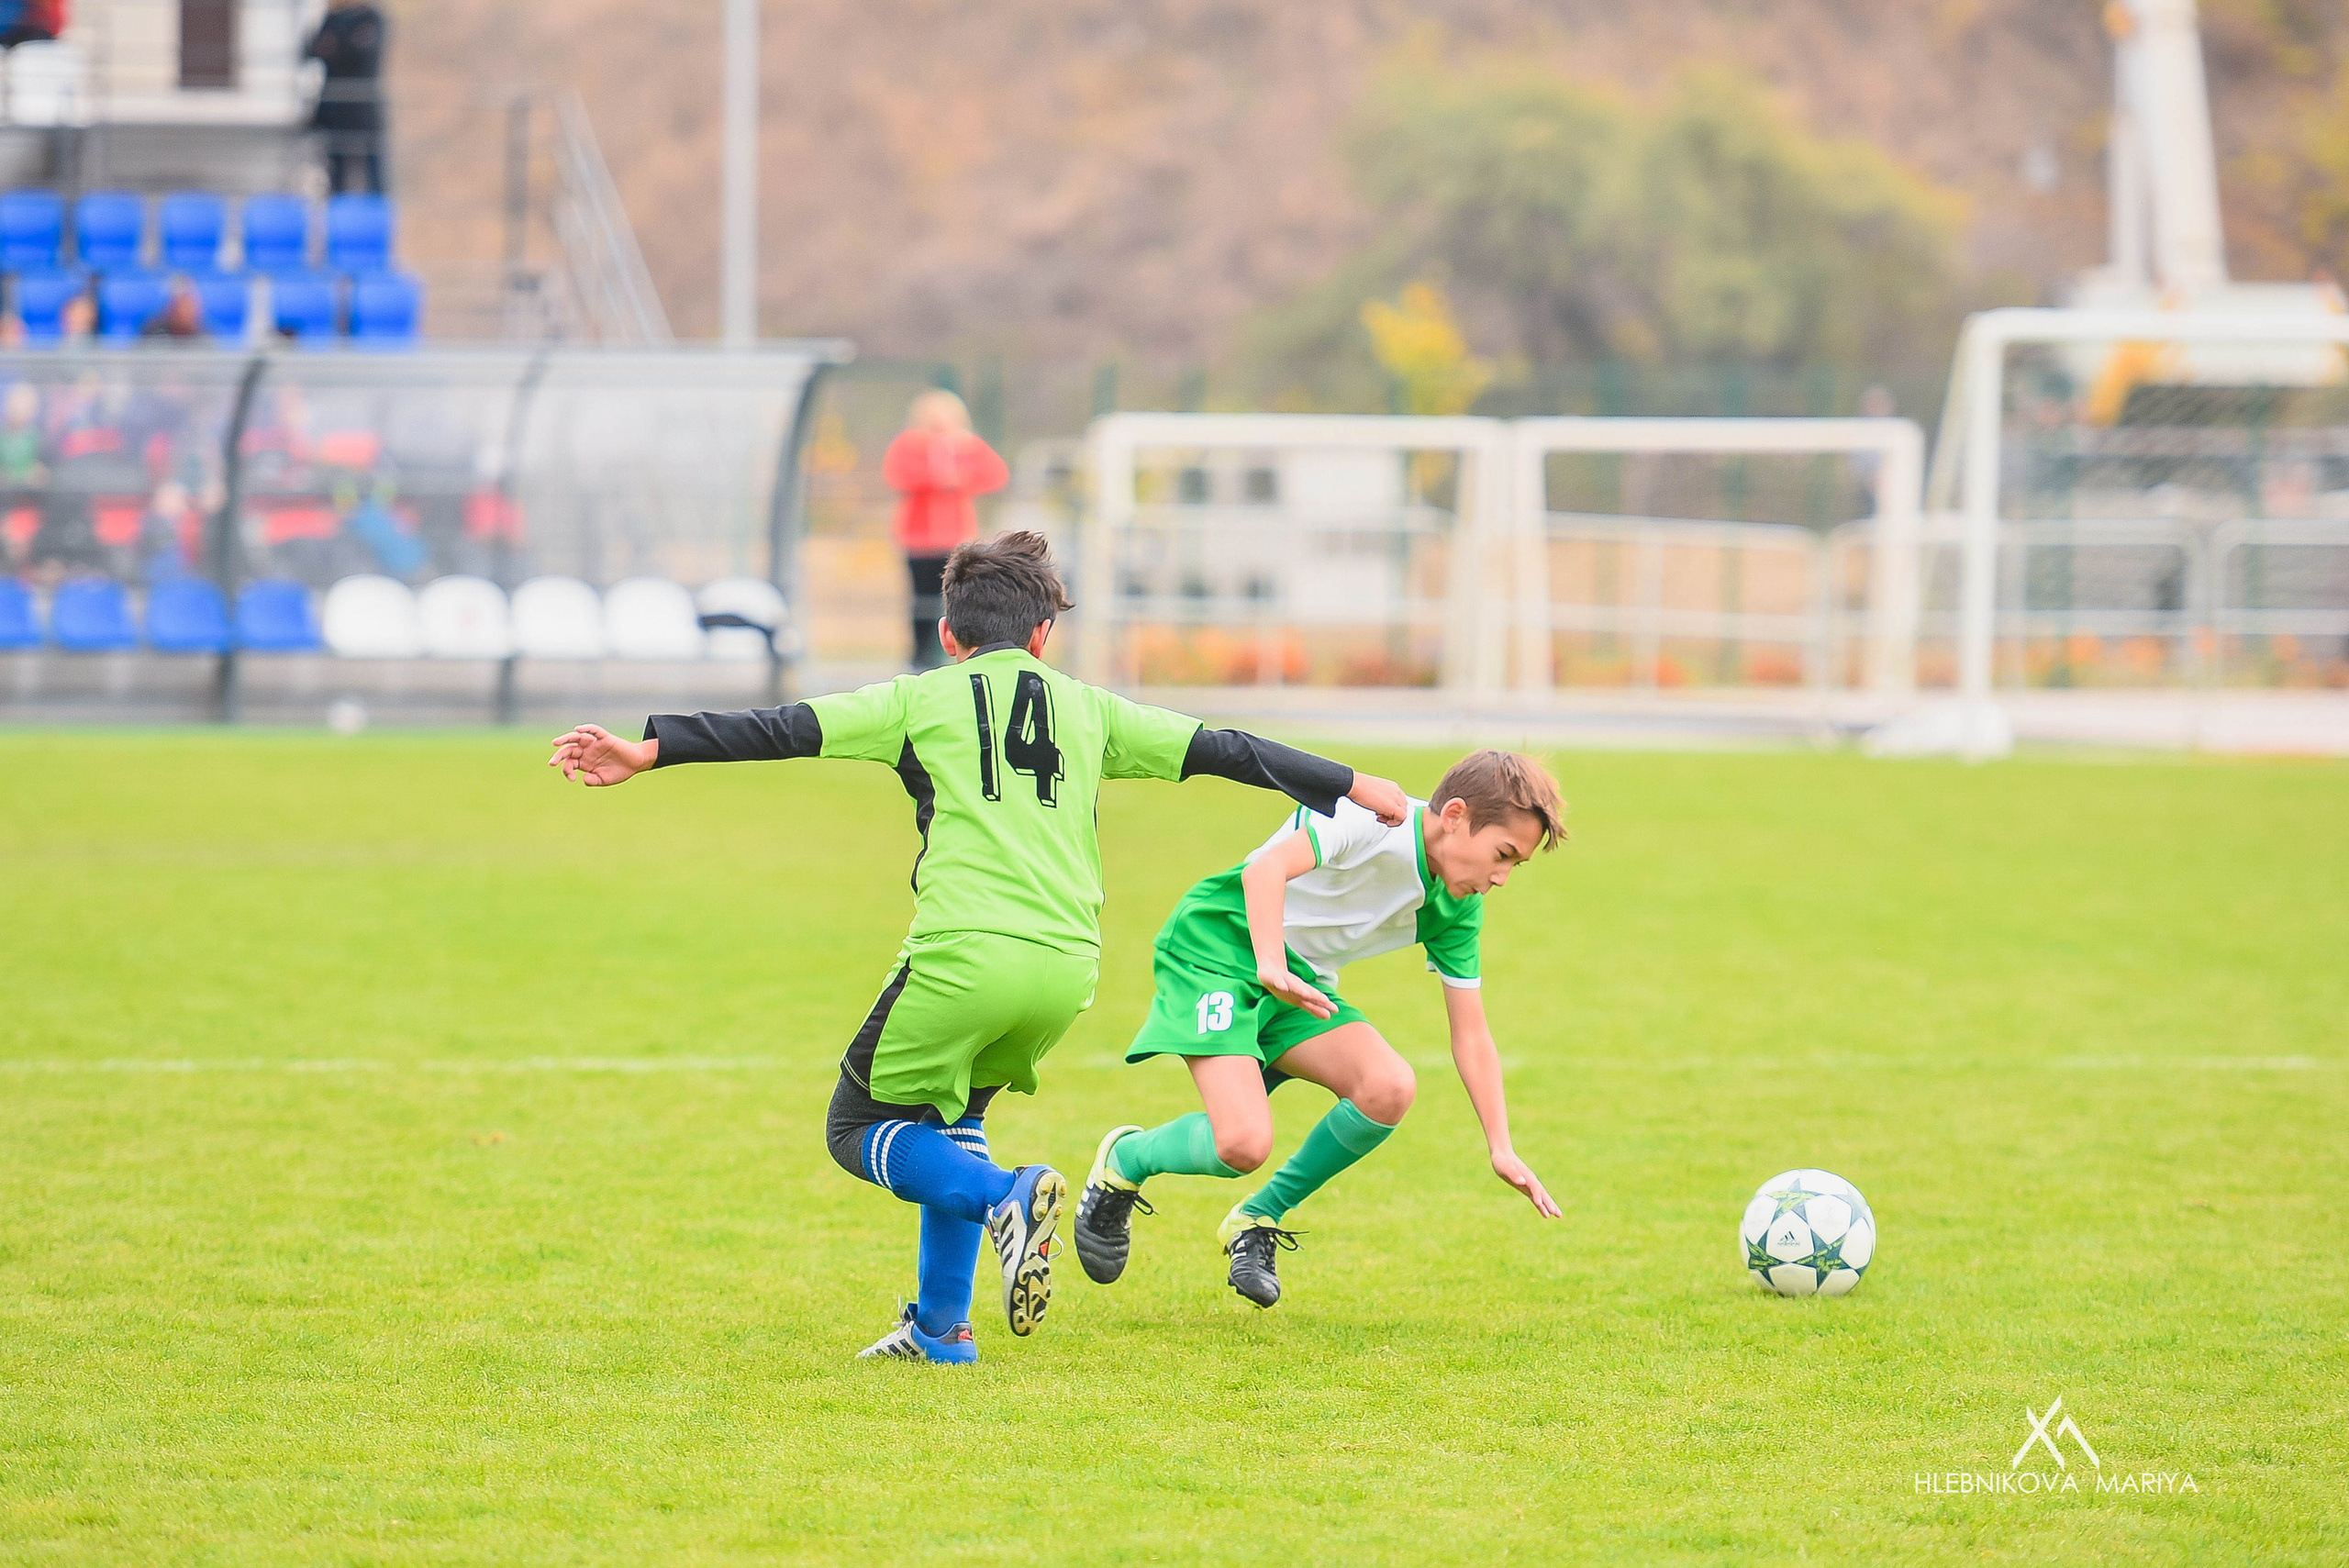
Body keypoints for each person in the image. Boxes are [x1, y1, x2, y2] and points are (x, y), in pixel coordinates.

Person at [544, 531, 1408, 1364]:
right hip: (1067, 969)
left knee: (857, 1128)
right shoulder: (1091, 708)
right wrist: (1353, 783)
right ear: (1043, 635)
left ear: (949, 635)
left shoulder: (919, 698)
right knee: (952, 1119)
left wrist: (651, 748)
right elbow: (1229, 750)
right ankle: (941, 1332)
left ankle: (1005, 1198)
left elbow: (782, 726)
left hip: (964, 956)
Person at [1074, 750, 1565, 1309]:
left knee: (1389, 1087)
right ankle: (1125, 1162)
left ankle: (1257, 1218)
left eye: (1515, 866)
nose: (1501, 878)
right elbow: (1265, 870)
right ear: (1454, 815)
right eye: (1502, 855)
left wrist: (1500, 1147)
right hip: (1218, 949)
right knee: (1242, 1143)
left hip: (1299, 984)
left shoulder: (1457, 908)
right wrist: (1269, 967)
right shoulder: (1375, 817)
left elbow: (1471, 1035)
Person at [882, 390, 1007, 670]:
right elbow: (897, 474)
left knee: (958, 599)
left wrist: (960, 477)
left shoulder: (966, 445)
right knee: (922, 601)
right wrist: (936, 479)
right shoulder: (910, 445)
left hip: (957, 538)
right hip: (919, 539)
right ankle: (920, 659)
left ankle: (958, 654)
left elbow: (995, 474)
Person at [304, 0, 387, 195]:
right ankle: (338, 220)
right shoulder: (333, 18)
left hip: (364, 108)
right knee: (336, 174)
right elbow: (310, 50)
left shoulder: (372, 18)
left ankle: (375, 219)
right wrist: (344, 45)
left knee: (373, 172)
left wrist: (336, 47)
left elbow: (363, 54)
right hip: (334, 110)